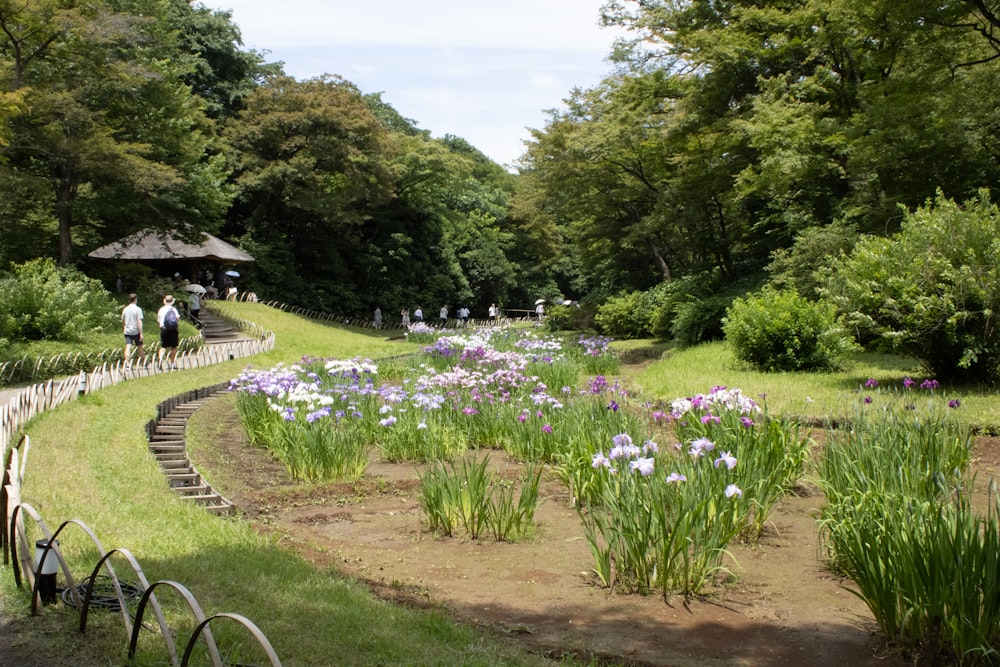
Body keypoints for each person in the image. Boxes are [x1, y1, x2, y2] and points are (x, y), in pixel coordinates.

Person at [157, 295, 181, 370]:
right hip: (173, 330)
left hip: (164, 329)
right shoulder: (173, 309)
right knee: (173, 347)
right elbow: (177, 318)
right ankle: (172, 364)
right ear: (172, 301)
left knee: (163, 346)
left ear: (165, 301)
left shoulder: (161, 310)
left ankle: (160, 359)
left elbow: (158, 320)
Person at [121, 293, 144, 368]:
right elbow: (139, 321)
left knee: (128, 346)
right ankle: (143, 361)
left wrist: (124, 328)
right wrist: (141, 333)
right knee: (139, 346)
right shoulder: (138, 309)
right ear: (135, 299)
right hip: (136, 331)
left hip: (127, 331)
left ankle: (127, 362)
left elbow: (123, 321)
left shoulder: (125, 309)